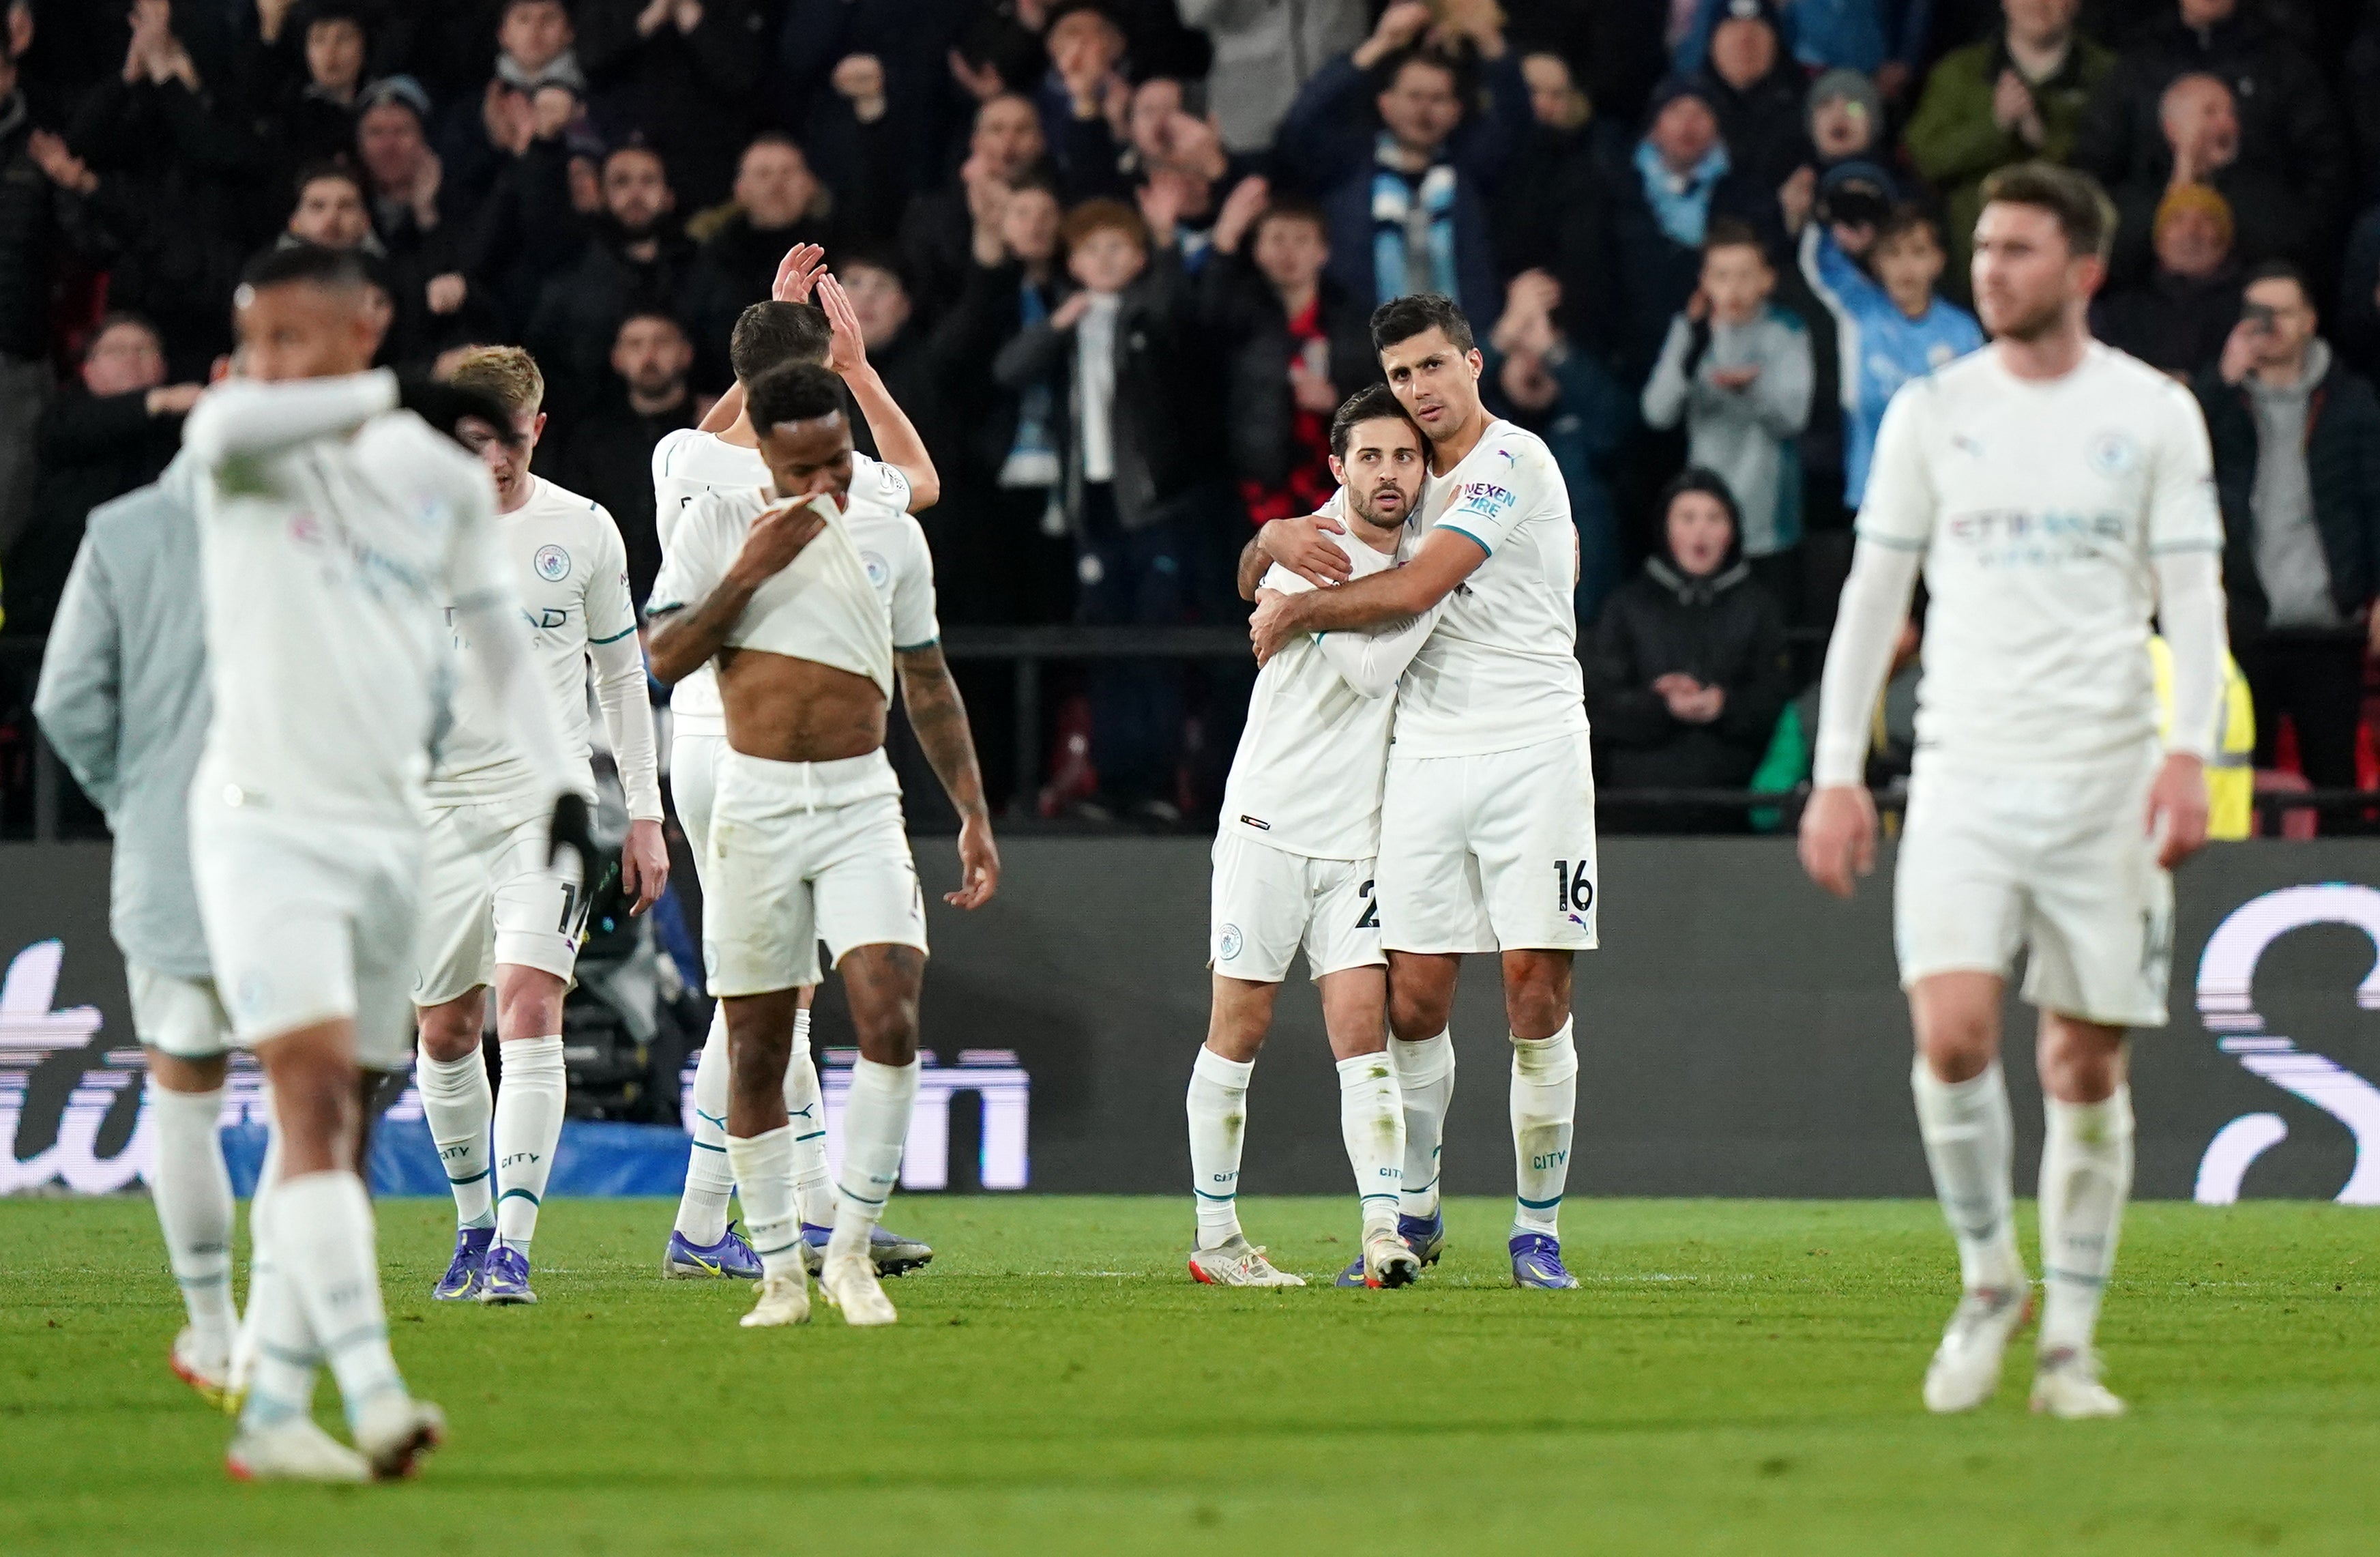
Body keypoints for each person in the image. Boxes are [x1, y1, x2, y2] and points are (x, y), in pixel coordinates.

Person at [1798, 163, 2229, 1419]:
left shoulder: (2151, 413)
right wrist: (1837, 774)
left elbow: (2192, 597)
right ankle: (1990, 1279)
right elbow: (1871, 602)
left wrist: (2187, 751)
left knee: (2081, 1066)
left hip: (2102, 775)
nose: (1988, 268)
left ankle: (2067, 1350)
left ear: (2081, 270)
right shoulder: (1931, 412)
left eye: (2016, 249)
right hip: (1962, 771)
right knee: (1949, 1036)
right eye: (1980, 247)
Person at [179, 244, 589, 1478]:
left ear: (364, 322)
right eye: (255, 341)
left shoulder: (434, 478)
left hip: (388, 825)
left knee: (341, 1122)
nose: (267, 365)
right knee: (311, 1096)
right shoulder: (242, 442)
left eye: (293, 338)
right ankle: (371, 1390)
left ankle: (272, 1410)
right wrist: (399, 389)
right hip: (263, 820)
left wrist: (571, 784)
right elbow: (223, 427)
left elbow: (505, 645)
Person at [645, 353, 1000, 1328]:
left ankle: (847, 1249)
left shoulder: (891, 536)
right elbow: (666, 655)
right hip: (753, 800)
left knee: (889, 1009)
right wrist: (750, 568)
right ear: (759, 455)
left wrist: (971, 809)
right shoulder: (715, 524)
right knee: (759, 1037)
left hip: (857, 800)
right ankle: (775, 1270)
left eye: (838, 464)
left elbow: (926, 680)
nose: (826, 487)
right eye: (802, 470)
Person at [1247, 293, 1592, 1290]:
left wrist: (1302, 612)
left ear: (1474, 364)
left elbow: (1413, 588)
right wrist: (1272, 543)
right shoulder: (1393, 474)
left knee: (1535, 989)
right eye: (1401, 375)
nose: (1419, 389)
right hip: (1425, 754)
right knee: (1417, 997)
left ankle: (1536, 1228)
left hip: (1533, 750)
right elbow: (1267, 561)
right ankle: (1419, 1197)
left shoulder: (1511, 462)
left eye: (1433, 366)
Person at [409, 347, 671, 1307]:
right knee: (443, 1031)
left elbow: (621, 680)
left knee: (527, 1004)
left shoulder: (583, 529)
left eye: (509, 439)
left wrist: (643, 813)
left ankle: (514, 1244)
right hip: (432, 808)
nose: (492, 460)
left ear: (538, 428)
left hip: (544, 801)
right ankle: (474, 1224)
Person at [1193, 387, 1437, 1290]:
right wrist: (1432, 598)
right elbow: (1371, 672)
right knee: (1239, 1026)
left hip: (1362, 843)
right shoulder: (1311, 545)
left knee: (1359, 1033)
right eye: (1370, 457)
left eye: (1404, 458)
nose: (1388, 473)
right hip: (1269, 822)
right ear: (1338, 466)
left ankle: (1382, 1233)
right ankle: (1214, 1238)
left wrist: (1422, 582)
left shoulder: (1425, 551)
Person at [34, 448, 235, 1407]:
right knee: (320, 1107)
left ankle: (216, 1331)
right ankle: (308, 1339)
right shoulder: (343, 521)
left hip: (177, 861)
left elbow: (64, 699)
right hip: (316, 857)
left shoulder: (122, 531)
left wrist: (136, 799)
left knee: (186, 1093)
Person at [2193, 262, 2380, 797]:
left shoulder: (2350, 400)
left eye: (2281, 312)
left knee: (2334, 782)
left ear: (2309, 322)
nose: (2267, 324)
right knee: (2236, 786)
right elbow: (2177, 460)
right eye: (2256, 313)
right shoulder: (2221, 400)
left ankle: (2343, 881)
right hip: (2244, 625)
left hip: (2327, 625)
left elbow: (2374, 497)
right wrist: (2221, 381)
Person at [1275, 1, 1527, 318]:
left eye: (1438, 99)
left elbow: (1515, 121)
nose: (1424, 111)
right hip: (1365, 353)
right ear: (1385, 104)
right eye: (1413, 96)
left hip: (1459, 352)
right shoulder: (1347, 165)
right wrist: (1380, 44)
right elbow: (1302, 124)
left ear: (1457, 111)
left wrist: (1490, 42)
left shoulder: (1472, 168)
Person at [1589, 472, 1791, 832]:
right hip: (1635, 811)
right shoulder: (1625, 606)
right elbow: (1599, 705)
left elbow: (1775, 702)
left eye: (1714, 518)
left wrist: (1722, 705)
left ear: (1731, 532)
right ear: (1667, 530)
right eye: (1687, 518)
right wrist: (1661, 706)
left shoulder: (1760, 608)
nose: (1701, 532)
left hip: (1735, 810)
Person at [1641, 220, 1814, 611]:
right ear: (1704, 281)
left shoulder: (1786, 332)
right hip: (1703, 523)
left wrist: (1751, 390)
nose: (1732, 289)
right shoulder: (1691, 331)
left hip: (1769, 519)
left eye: (1744, 275)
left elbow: (1794, 418)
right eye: (1721, 276)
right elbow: (1656, 413)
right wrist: (1688, 359)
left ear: (1766, 280)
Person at [1904, 0, 2113, 293]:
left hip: (2068, 280)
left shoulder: (2107, 75)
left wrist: (2042, 139)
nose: (2039, 4)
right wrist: (1995, 125)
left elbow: (2114, 167)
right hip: (1970, 274)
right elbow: (1925, 156)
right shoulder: (1960, 72)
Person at [8, 315, 201, 632]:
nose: (130, 359)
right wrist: (156, 401)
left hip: (157, 602)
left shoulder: (183, 430)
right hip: (57, 604)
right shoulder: (63, 418)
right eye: (115, 350)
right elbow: (82, 430)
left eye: (144, 350)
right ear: (88, 369)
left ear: (162, 366)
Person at [1797, 204, 1986, 512]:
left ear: (1939, 261)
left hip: (1941, 492)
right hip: (1871, 489)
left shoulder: (1963, 331)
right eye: (1893, 254)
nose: (1906, 266)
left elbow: (1976, 414)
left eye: (1918, 252)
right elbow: (1818, 261)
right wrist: (1829, 225)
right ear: (1876, 262)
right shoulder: (1859, 310)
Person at [542, 309, 698, 600]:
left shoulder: (708, 433)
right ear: (617, 358)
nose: (649, 356)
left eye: (661, 343)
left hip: (694, 595)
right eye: (635, 345)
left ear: (686, 353)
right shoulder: (590, 439)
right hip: (607, 595)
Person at [2091, 183, 2241, 377]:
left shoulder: (2244, 307)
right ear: (2159, 239)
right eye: (2177, 220)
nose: (2191, 233)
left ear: (2225, 239)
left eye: (2207, 220)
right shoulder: (2122, 307)